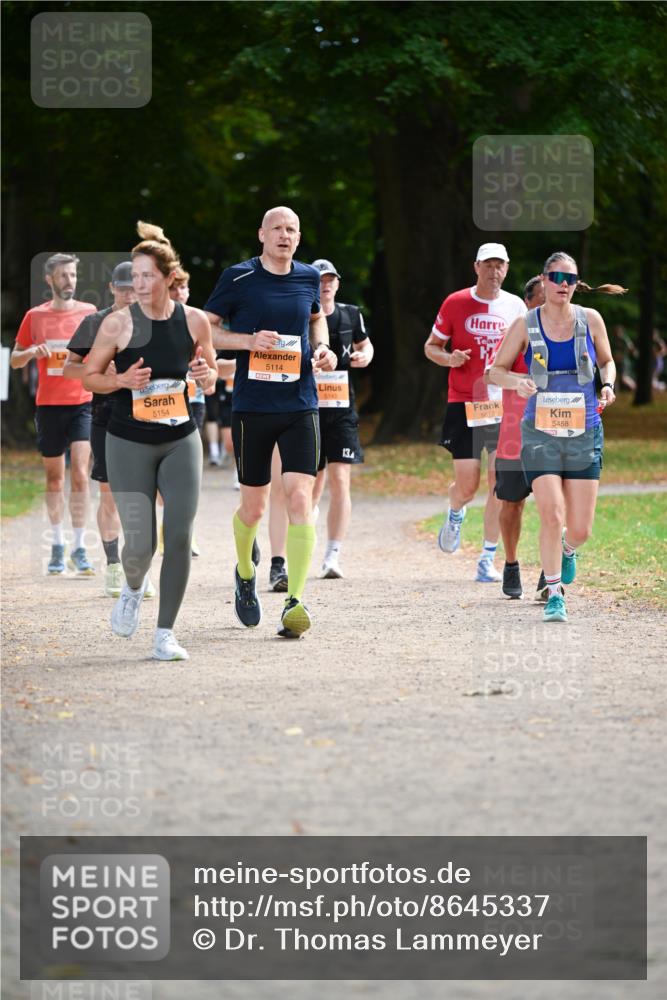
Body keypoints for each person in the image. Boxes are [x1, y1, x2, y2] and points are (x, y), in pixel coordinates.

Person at [83, 222, 218, 660]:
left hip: (180, 437)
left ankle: (165, 634)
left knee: (178, 534)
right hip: (127, 440)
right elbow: (90, 377)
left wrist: (205, 376)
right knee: (140, 544)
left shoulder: (194, 320)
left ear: (167, 278)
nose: (137, 284)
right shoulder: (117, 325)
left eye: (146, 275)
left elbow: (212, 374)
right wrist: (120, 379)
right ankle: (133, 586)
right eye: (134, 276)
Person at [204, 205, 337, 638]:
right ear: (262, 233)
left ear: (299, 238)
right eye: (278, 228)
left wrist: (323, 349)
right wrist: (246, 340)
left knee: (300, 497)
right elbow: (207, 329)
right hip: (252, 407)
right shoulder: (238, 277)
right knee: (255, 506)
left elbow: (317, 320)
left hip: (301, 403)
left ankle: (295, 600)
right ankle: (245, 570)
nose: (285, 235)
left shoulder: (306, 278)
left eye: (292, 229)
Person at [490, 251, 623, 623]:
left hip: (585, 431)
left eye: (570, 279)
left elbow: (607, 361)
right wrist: (519, 381)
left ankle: (568, 550)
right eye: (556, 277)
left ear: (576, 284)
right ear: (544, 280)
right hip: (540, 432)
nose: (563, 285)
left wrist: (608, 384)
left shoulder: (591, 319)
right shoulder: (525, 323)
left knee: (580, 528)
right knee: (552, 513)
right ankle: (554, 594)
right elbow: (495, 373)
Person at [267, 258, 373, 585]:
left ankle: (333, 554)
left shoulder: (351, 314)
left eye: (331, 280)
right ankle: (297, 543)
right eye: (320, 280)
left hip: (340, 410)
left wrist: (364, 356)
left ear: (337, 284)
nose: (325, 285)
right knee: (309, 487)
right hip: (305, 408)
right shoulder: (297, 314)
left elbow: (365, 346)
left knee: (342, 481)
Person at [424, 244, 526, 582]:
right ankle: (456, 511)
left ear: (507, 269)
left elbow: (524, 352)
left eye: (500, 265)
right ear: (476, 267)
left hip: (504, 403)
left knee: (500, 483)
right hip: (464, 401)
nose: (494, 272)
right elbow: (431, 347)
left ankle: (487, 558)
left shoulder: (516, 306)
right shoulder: (455, 303)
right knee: (468, 486)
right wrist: (449, 358)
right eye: (488, 265)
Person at [64, 261, 154, 599]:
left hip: (149, 415)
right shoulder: (95, 323)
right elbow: (68, 370)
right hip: (105, 415)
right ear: (112, 289)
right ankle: (115, 565)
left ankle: (141, 567)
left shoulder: (155, 320)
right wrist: (98, 368)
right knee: (111, 496)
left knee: (145, 496)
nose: (129, 293)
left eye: (135, 287)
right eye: (123, 287)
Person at [11, 253, 97, 575]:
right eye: (63, 276)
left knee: (79, 472)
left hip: (83, 403)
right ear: (49, 280)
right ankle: (58, 544)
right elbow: (15, 360)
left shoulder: (89, 313)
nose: (69, 281)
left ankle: (80, 546)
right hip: (48, 405)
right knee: (54, 477)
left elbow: (102, 350)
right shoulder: (35, 317)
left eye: (73, 275)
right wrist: (32, 352)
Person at [492, 275, 546, 600]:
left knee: (555, 505)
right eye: (542, 298)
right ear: (529, 302)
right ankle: (511, 563)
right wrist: (521, 381)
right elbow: (493, 372)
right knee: (513, 505)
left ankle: (549, 573)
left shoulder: (573, 329)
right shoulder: (520, 328)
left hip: (556, 435)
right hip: (515, 436)